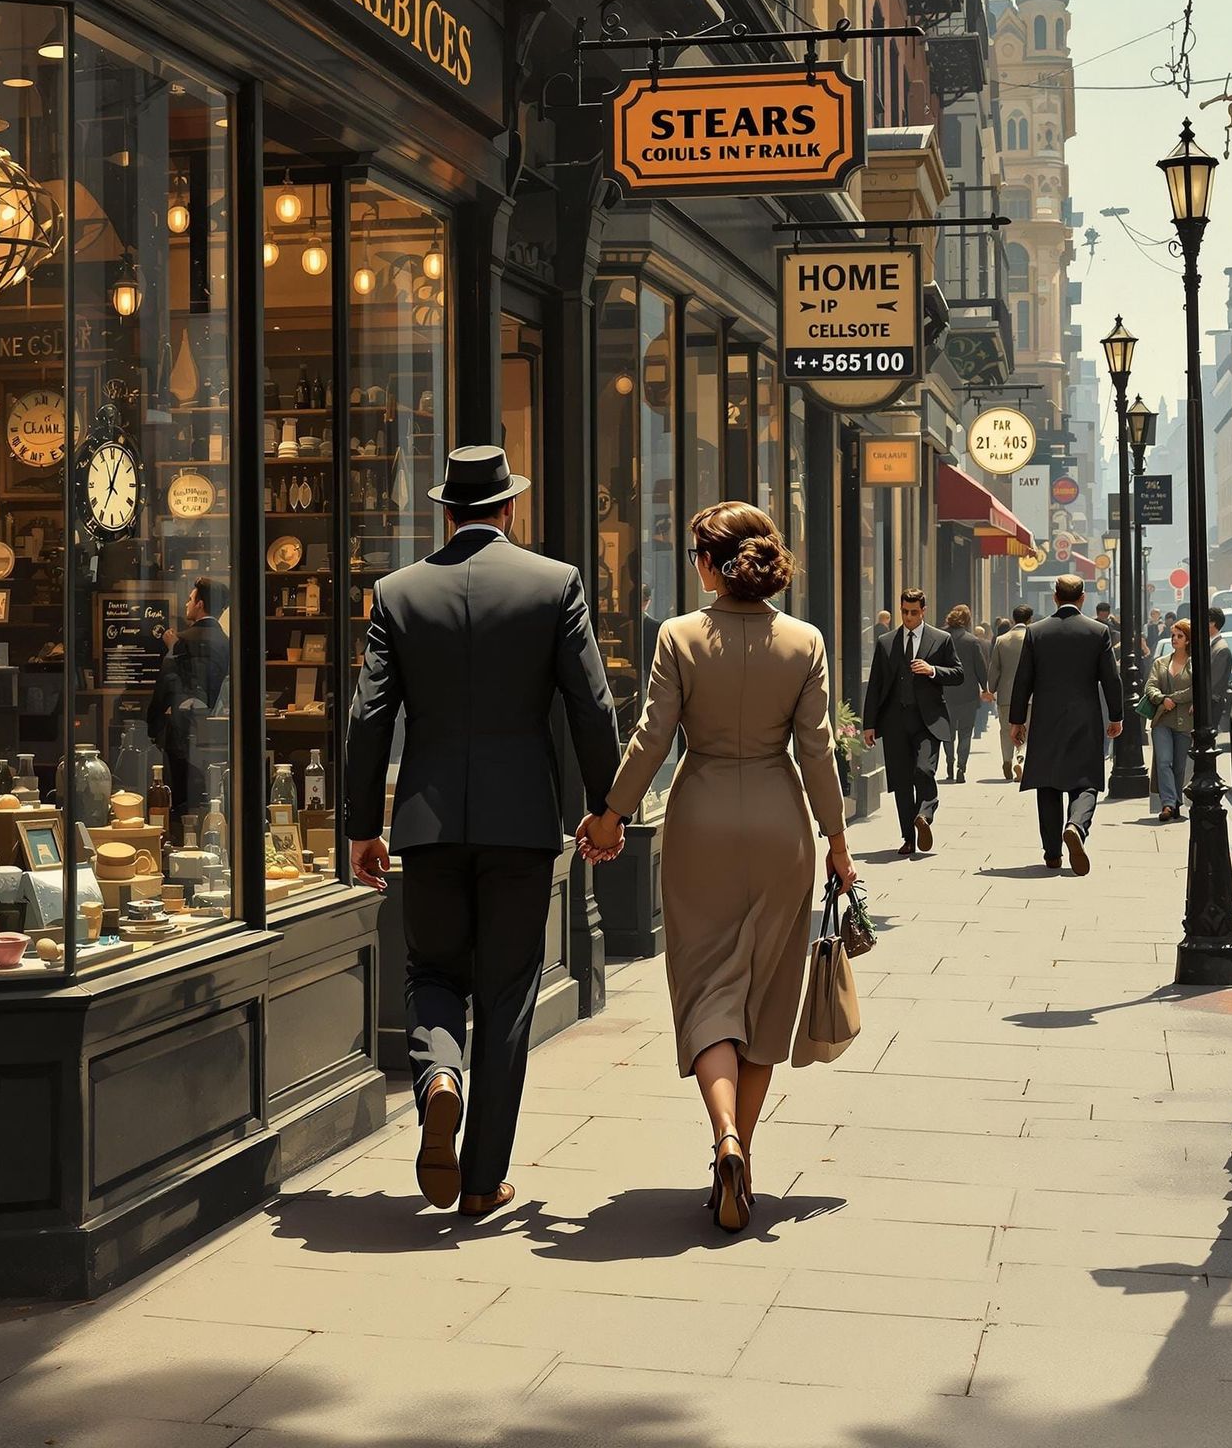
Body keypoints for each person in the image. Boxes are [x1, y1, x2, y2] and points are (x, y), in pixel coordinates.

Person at [345, 445, 620, 1221]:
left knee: (432, 971)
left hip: (428, 822)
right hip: (520, 823)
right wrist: (606, 807)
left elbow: (368, 719)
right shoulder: (554, 584)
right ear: (508, 511)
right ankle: (480, 1180)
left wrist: (363, 825)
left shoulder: (397, 594)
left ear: (446, 512)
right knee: (506, 991)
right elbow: (592, 707)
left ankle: (437, 1078)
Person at [578, 502, 852, 1234]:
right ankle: (742, 1154)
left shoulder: (679, 637)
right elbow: (817, 750)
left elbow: (652, 736)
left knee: (706, 989)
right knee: (765, 996)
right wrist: (838, 839)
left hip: (699, 822)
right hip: (779, 826)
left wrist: (610, 816)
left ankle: (722, 1133)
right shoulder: (804, 641)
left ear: (709, 562)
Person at [1009, 575, 1124, 875]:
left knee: (1047, 783)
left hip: (1046, 718)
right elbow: (1111, 678)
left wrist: (1017, 721)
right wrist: (1116, 716)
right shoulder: (1098, 631)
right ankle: (1076, 826)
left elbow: (1023, 681)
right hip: (1085, 717)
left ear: (1055, 597)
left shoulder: (1036, 632)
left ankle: (1052, 854)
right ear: (1083, 598)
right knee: (1085, 781)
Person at [861, 587, 964, 855]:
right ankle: (908, 837)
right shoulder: (886, 642)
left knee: (924, 770)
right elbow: (876, 685)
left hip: (928, 720)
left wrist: (933, 671)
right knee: (902, 782)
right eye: (905, 612)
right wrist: (869, 724)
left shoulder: (940, 639)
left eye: (914, 613)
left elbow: (958, 673)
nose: (909, 617)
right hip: (895, 721)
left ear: (924, 611)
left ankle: (925, 814)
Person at [146, 576, 230, 820]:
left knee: (181, 796)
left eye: (191, 599)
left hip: (183, 728)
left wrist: (153, 724)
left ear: (201, 604)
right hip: (217, 730)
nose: (186, 603)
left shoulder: (181, 641)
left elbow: (166, 687)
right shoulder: (227, 643)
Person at [1144, 618, 1194, 822]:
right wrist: (1161, 699)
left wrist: (1173, 698)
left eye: (1179, 636)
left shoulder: (1194, 664)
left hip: (1184, 721)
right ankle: (1168, 804)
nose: (1174, 639)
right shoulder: (1161, 662)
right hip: (1162, 720)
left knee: (1179, 765)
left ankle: (1176, 802)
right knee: (1164, 761)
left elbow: (1195, 689)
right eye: (1173, 635)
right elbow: (1150, 687)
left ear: (1188, 640)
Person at [986, 603, 1035, 780]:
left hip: (1006, 694)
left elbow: (995, 669)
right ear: (1030, 619)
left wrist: (990, 688)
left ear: (1014, 619)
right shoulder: (1034, 638)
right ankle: (1020, 758)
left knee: (1006, 730)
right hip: (1030, 695)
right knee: (1027, 729)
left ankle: (1007, 759)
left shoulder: (1002, 640)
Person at [942, 604, 988, 784]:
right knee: (966, 732)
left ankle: (949, 764)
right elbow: (980, 668)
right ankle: (962, 766)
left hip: (946, 694)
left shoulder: (941, 638)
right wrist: (986, 688)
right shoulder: (971, 641)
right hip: (968, 694)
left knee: (948, 733)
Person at [1207, 606, 1232, 738]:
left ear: (1212, 623)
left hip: (1212, 702)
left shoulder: (1221, 649)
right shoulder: (1213, 645)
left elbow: (1214, 680)